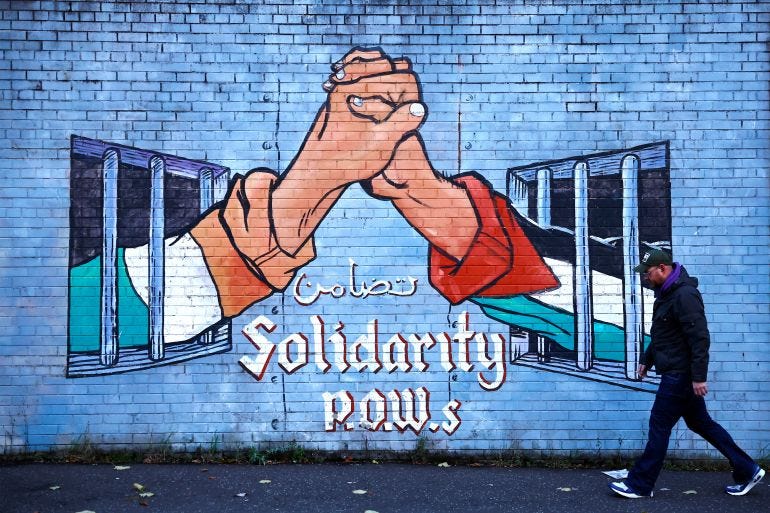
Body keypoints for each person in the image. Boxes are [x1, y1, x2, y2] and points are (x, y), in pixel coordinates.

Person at [608, 248, 765, 498]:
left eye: (648, 273)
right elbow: (664, 334)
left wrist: (698, 376)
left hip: (679, 375)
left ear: (663, 269)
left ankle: (640, 484)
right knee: (702, 423)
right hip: (677, 371)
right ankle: (748, 469)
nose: (646, 278)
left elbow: (699, 338)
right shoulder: (667, 294)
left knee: (659, 426)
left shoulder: (685, 295)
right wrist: (646, 360)